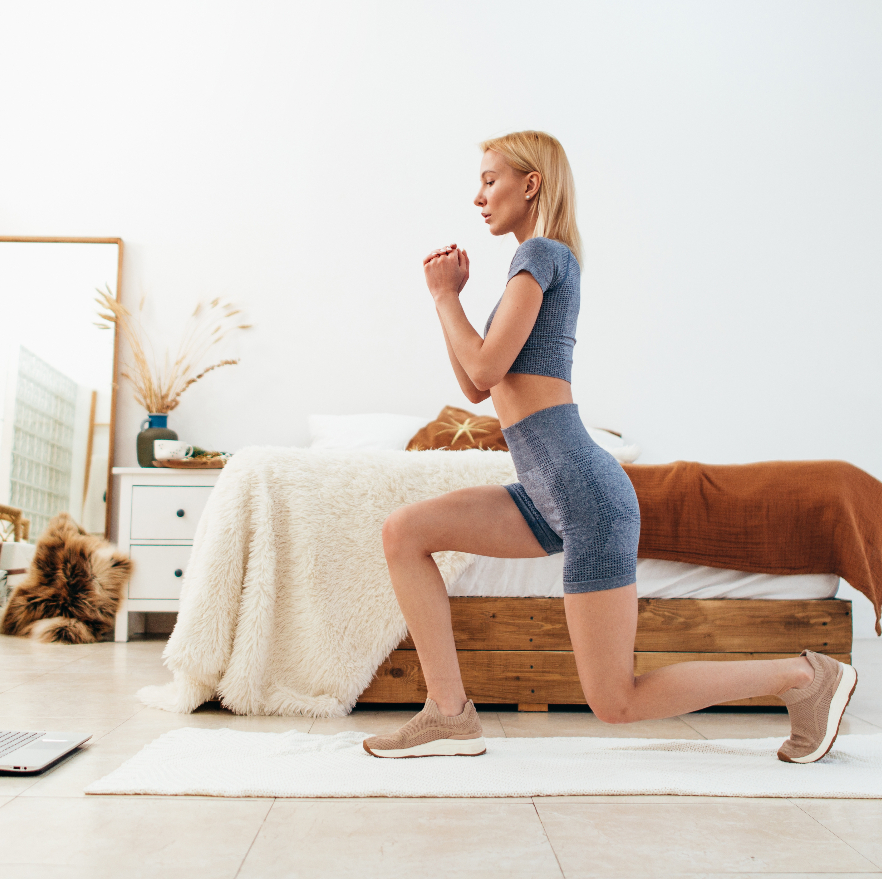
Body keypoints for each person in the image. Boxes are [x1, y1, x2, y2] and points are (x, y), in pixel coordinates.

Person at [362, 130, 857, 762]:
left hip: (584, 491)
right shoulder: (528, 265)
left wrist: (441, 295)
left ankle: (807, 678)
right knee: (405, 532)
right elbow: (477, 385)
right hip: (545, 492)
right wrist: (450, 301)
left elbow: (483, 370)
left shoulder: (542, 255)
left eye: (490, 180)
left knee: (614, 699)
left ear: (530, 183)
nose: (478, 196)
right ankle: (447, 713)